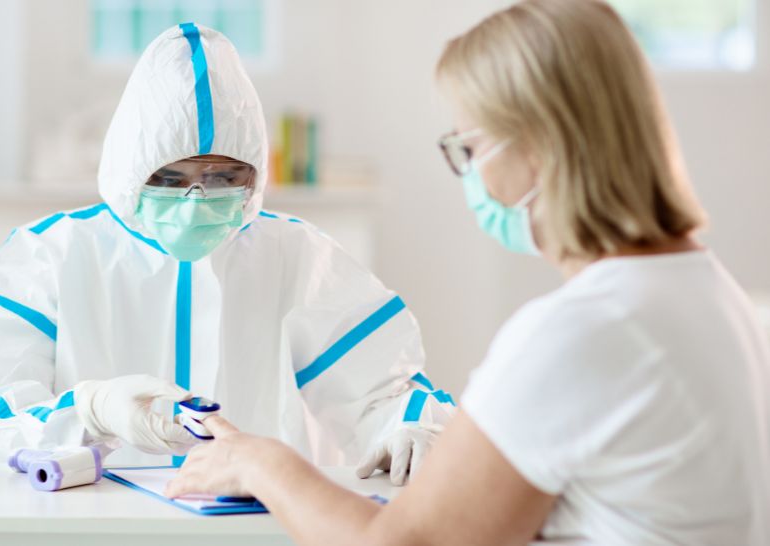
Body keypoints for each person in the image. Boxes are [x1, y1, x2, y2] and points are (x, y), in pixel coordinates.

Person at [165, 2, 770, 544]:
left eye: (470, 149)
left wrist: (262, 464)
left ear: (544, 141)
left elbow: (400, 545)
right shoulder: (705, 288)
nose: (470, 176)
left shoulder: (587, 331)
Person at [0, 22, 452, 482]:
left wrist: (412, 428)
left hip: (256, 521)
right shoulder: (48, 255)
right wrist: (92, 410)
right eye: (169, 179)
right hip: (88, 521)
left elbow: (382, 393)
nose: (196, 201)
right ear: (130, 169)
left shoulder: (299, 257)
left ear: (254, 174)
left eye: (223, 177)